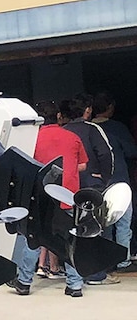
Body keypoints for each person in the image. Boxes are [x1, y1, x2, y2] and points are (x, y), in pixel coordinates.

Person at [11, 101, 87, 297]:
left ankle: (24, 281)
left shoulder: (32, 139)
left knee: (32, 236)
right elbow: (83, 165)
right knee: (71, 237)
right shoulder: (73, 137)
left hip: (39, 196)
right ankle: (75, 285)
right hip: (67, 195)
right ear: (60, 116)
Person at [61, 95, 119, 286]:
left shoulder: (64, 130)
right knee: (94, 228)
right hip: (90, 185)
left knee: (72, 230)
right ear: (87, 110)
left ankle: (73, 271)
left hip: (68, 187)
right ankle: (95, 274)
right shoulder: (93, 129)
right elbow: (105, 153)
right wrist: (105, 177)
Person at [92, 91, 137, 270]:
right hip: (119, 180)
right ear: (109, 108)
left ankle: (106, 259)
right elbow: (132, 152)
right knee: (123, 222)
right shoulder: (117, 128)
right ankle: (123, 259)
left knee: (102, 224)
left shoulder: (87, 128)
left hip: (95, 182)